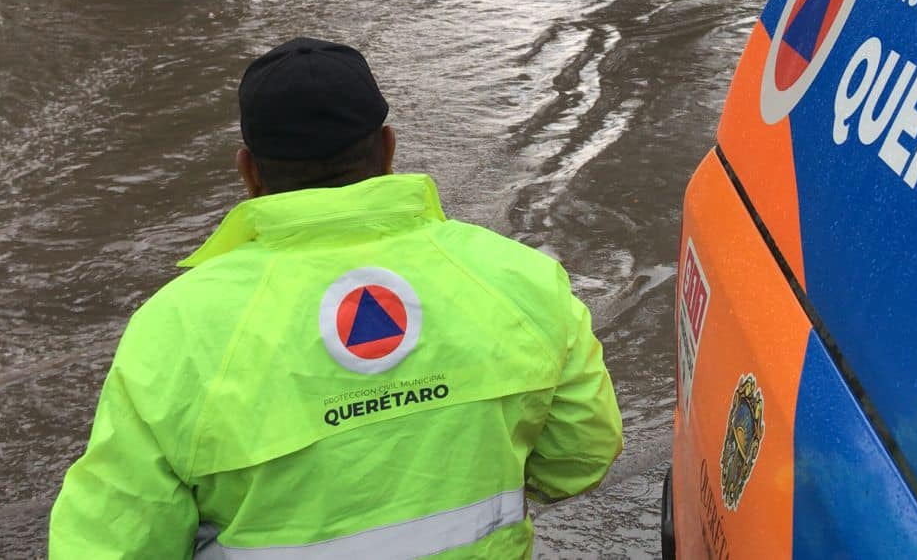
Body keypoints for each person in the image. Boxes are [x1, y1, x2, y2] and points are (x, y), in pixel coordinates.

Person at [49, 37, 623, 559]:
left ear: (248, 172)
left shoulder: (173, 329)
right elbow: (581, 458)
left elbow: (110, 543)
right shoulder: (519, 280)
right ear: (389, 149)